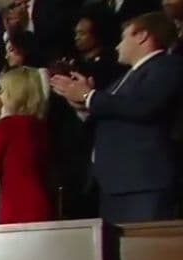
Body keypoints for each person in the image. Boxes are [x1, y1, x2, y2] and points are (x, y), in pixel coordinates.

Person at [51, 12, 183, 223]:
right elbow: (111, 112)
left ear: (142, 36)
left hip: (143, 182)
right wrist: (81, 104)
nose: (117, 46)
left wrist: (88, 96)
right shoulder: (125, 77)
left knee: (147, 251)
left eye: (124, 37)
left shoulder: (167, 66)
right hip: (116, 183)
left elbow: (143, 106)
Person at [0, 67, 52, 224]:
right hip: (42, 205)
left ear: (14, 94)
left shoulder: (7, 126)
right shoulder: (40, 126)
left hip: (17, 207)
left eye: (3, 91)